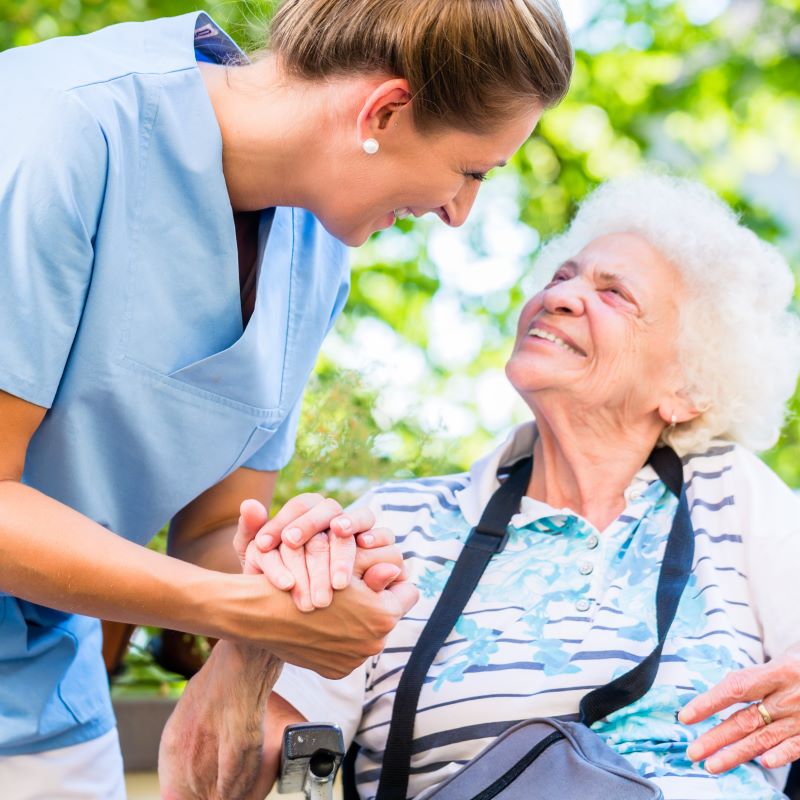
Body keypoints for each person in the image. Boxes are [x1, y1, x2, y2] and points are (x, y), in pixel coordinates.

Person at [0, 0, 574, 796]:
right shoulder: (56, 132)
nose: (458, 212)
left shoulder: (315, 251)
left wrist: (303, 569)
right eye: (472, 169)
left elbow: (207, 531)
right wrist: (236, 607)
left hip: (40, 695)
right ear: (385, 109)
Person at [165, 173, 800, 799]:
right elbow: (211, 789)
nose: (562, 296)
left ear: (688, 390)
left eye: (615, 295)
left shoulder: (732, 495)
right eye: (562, 276)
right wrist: (254, 636)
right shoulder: (394, 527)